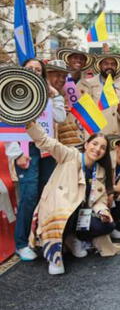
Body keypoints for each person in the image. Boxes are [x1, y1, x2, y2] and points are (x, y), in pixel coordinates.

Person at [25, 120, 120, 275]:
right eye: (95, 144)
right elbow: (44, 141)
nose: (97, 149)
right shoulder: (69, 155)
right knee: (64, 213)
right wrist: (30, 124)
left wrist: (103, 211)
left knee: (108, 225)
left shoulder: (100, 171)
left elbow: (99, 200)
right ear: (86, 145)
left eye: (102, 148)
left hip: (81, 213)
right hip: (58, 208)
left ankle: (72, 238)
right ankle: (54, 258)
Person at [7, 60, 67, 261]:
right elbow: (5, 128)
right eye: (30, 68)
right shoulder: (12, 94)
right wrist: (17, 153)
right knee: (29, 195)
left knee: (46, 195)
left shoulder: (47, 97)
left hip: (47, 150)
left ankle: (40, 238)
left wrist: (55, 95)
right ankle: (21, 243)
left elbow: (60, 117)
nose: (34, 71)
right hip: (26, 150)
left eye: (38, 70)